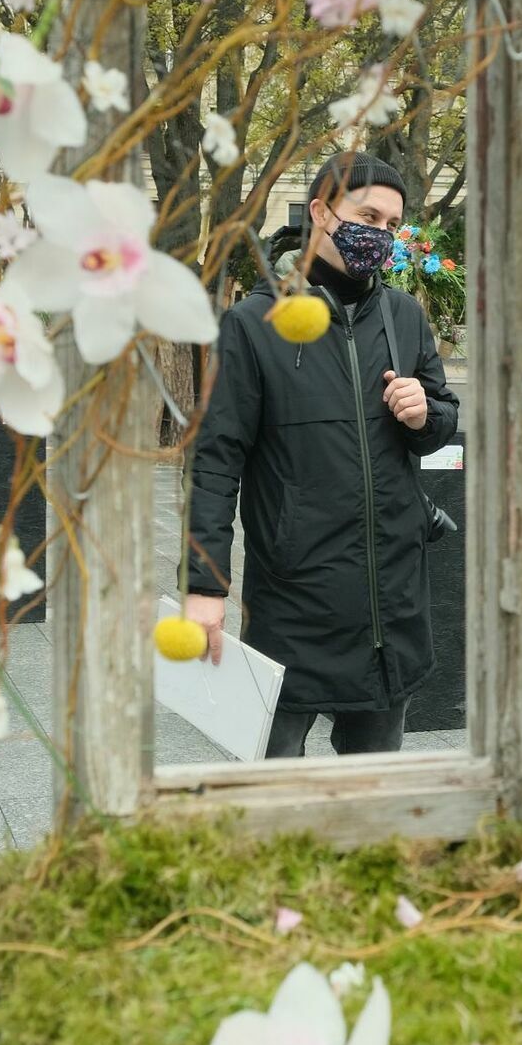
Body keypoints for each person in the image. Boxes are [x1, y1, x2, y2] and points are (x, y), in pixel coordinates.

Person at [184, 153, 460, 759]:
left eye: (391, 225)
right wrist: (203, 586)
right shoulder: (256, 323)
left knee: (373, 788)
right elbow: (214, 459)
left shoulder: (405, 316)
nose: (379, 234)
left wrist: (425, 414)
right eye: (367, 215)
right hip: (294, 596)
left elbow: (442, 419)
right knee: (278, 786)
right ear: (321, 213)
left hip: (391, 599)